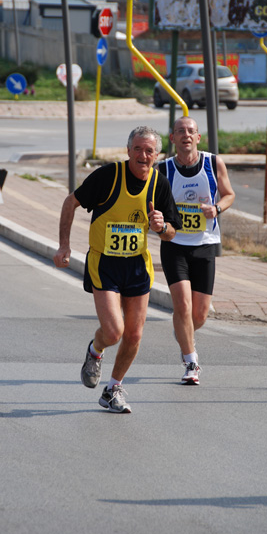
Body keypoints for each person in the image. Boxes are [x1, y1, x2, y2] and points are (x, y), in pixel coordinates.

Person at [54, 126, 182, 413]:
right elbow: (70, 202)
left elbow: (172, 231)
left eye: (149, 150)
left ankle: (113, 389)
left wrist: (163, 227)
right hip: (105, 263)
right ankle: (95, 350)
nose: (143, 155)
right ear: (128, 151)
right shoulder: (110, 176)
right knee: (114, 332)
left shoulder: (159, 184)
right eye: (137, 149)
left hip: (137, 265)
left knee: (134, 335)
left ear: (157, 155)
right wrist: (64, 246)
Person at [157, 116, 235, 385]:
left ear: (198, 138)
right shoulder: (163, 169)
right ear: (173, 138)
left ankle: (183, 330)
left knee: (199, 314)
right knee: (183, 304)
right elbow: (150, 202)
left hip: (205, 244)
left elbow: (229, 194)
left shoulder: (213, 163)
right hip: (174, 245)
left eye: (191, 131)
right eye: (180, 131)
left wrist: (217, 208)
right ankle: (191, 362)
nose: (186, 135)